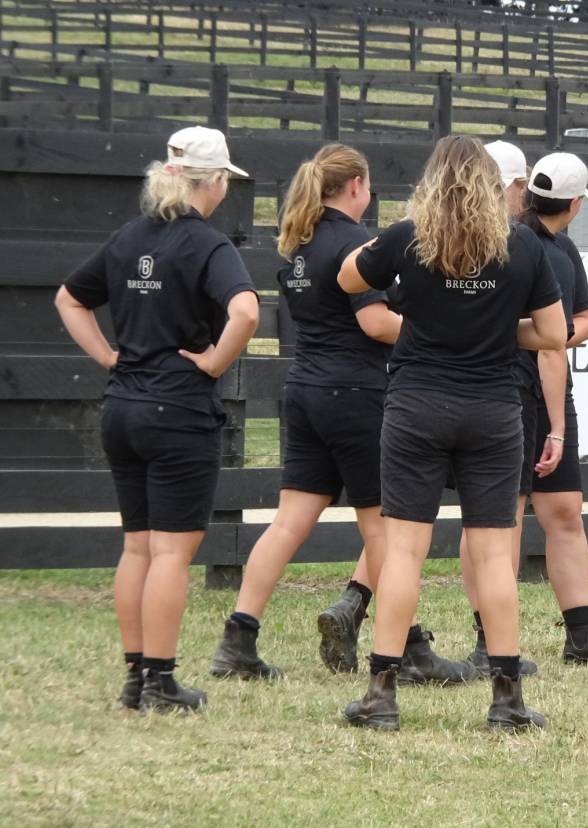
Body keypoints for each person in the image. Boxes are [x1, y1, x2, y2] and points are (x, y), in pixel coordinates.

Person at [200, 144, 469, 684]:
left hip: (304, 391)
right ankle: (411, 649)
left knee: (287, 523)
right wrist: (440, 337)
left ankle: (238, 640)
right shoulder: (354, 245)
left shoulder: (298, 243)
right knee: (385, 529)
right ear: (356, 186)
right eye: (367, 186)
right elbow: (375, 324)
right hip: (356, 393)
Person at [339, 135, 566, 731]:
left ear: (431, 183)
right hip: (493, 409)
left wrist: (427, 323)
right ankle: (508, 700)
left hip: (416, 405)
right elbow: (553, 333)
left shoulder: (409, 236)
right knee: (495, 554)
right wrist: (490, 332)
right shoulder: (522, 245)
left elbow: (345, 280)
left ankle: (381, 695)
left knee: (404, 552)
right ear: (495, 184)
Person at [54, 126, 259, 712]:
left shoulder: (128, 237)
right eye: (225, 181)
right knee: (171, 553)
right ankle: (161, 681)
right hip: (178, 411)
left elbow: (70, 298)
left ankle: (134, 676)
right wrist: (216, 361)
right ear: (214, 182)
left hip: (122, 407)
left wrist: (107, 356)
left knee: (137, 547)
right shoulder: (208, 244)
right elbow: (245, 311)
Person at [462, 151, 588, 670]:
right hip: (512, 391)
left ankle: (580, 635)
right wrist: (550, 337)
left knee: (558, 511)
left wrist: (556, 335)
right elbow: (568, 329)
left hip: (546, 390)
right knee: (503, 520)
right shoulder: (516, 248)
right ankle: (489, 640)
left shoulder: (561, 250)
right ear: (577, 204)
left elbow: (580, 320)